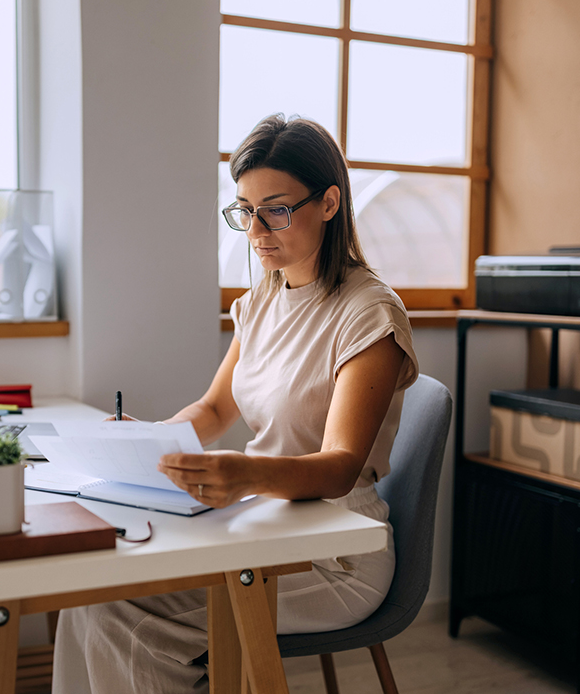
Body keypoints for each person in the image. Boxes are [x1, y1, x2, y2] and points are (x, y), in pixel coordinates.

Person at [52, 114, 419, 693]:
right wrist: (149, 439)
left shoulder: (368, 313)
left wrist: (243, 473)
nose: (256, 230)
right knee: (94, 596)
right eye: (245, 210)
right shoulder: (260, 302)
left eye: (275, 209)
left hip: (337, 551)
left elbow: (341, 464)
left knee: (127, 619)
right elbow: (213, 411)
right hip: (266, 525)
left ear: (329, 202)